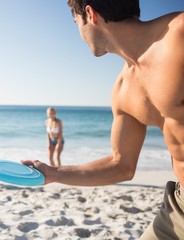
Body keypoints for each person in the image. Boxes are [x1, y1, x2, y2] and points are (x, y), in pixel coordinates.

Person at [22, 1, 184, 239]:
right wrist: (53, 173)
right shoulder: (123, 90)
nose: (78, 31)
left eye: (75, 21)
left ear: (90, 14)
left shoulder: (178, 35)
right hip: (180, 205)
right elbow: (121, 166)